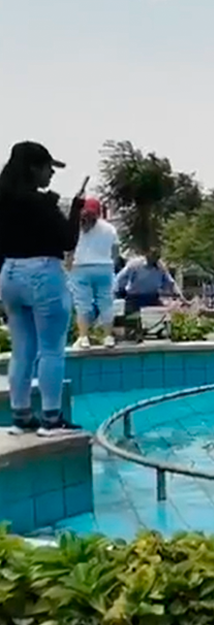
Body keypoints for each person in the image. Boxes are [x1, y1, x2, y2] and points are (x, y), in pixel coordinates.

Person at [0, 141, 82, 434]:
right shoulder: (40, 203)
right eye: (48, 168)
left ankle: (21, 415)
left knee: (22, 349)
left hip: (9, 273)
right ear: (34, 168)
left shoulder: (3, 200)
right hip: (43, 274)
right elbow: (68, 240)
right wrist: (75, 210)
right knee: (51, 349)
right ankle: (51, 418)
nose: (51, 174)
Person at [69, 197, 118, 348]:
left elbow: (69, 249)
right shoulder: (109, 228)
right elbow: (115, 250)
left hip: (81, 267)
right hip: (104, 267)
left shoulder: (77, 227)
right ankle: (108, 337)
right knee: (106, 302)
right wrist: (112, 263)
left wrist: (68, 265)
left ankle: (84, 337)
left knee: (82, 303)